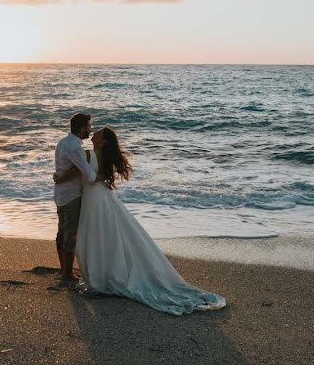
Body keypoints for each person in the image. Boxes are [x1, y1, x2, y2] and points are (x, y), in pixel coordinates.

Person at [55, 125, 226, 315]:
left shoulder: (88, 154)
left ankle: (97, 276)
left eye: (99, 134)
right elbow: (97, 175)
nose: (93, 134)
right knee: (105, 235)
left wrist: (60, 177)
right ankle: (101, 274)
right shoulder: (102, 157)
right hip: (100, 197)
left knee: (96, 236)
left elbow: (77, 172)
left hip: (93, 199)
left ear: (102, 141)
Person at [53, 112, 97, 284]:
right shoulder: (75, 147)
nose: (90, 129)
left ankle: (64, 269)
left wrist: (62, 177)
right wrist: (99, 177)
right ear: (81, 128)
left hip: (60, 194)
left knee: (62, 232)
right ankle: (67, 275)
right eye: (88, 126)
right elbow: (86, 171)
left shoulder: (63, 142)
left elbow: (69, 169)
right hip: (71, 195)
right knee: (71, 234)